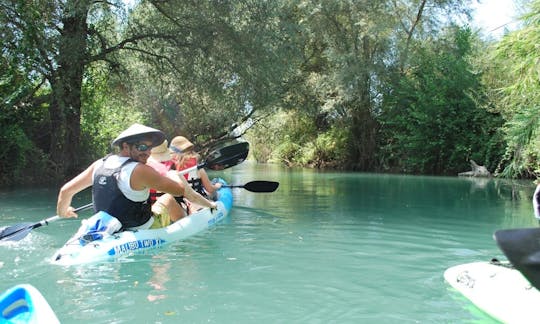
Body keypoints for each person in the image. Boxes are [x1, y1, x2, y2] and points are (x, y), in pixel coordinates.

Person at [56, 123, 217, 230]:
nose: (147, 152)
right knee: (167, 199)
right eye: (142, 147)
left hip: (106, 228)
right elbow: (181, 191)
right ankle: (184, 229)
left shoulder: (99, 164)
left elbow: (65, 192)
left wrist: (63, 212)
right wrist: (209, 205)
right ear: (125, 146)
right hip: (140, 228)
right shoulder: (141, 170)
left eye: (150, 148)